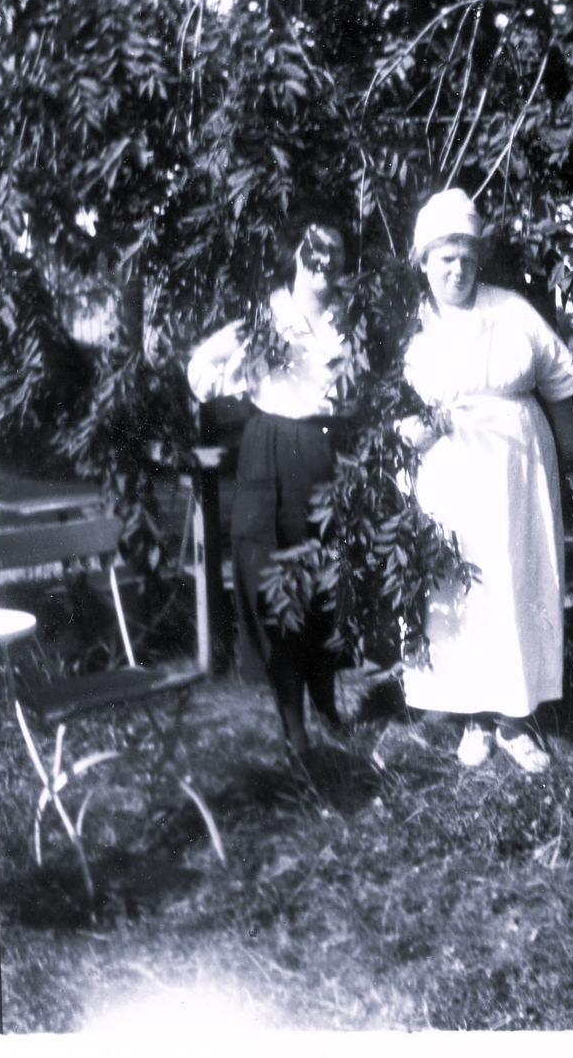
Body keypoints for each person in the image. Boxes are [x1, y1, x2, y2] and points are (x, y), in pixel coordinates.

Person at [399, 188, 573, 773]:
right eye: (445, 259)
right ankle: (473, 714)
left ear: (479, 260)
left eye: (467, 258)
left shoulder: (510, 310)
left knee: (515, 579)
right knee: (457, 588)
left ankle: (514, 720)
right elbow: (392, 406)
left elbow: (558, 376)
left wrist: (570, 444)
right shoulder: (410, 328)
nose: (457, 270)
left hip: (516, 468)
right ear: (423, 261)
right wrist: (410, 432)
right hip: (446, 472)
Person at [187, 219, 350, 759]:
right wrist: (229, 386)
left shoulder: (349, 317)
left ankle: (326, 701)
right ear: (296, 256)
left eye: (335, 250)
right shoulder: (266, 315)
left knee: (326, 580)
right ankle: (293, 722)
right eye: (314, 249)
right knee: (274, 580)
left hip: (328, 449)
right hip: (271, 450)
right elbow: (201, 367)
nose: (324, 260)